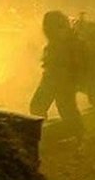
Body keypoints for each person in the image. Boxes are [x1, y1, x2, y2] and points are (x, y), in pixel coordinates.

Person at [29, 10, 84, 140]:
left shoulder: (67, 43)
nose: (46, 31)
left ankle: (78, 138)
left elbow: (67, 65)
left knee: (43, 107)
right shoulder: (63, 42)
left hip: (59, 81)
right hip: (57, 80)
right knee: (64, 110)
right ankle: (78, 137)